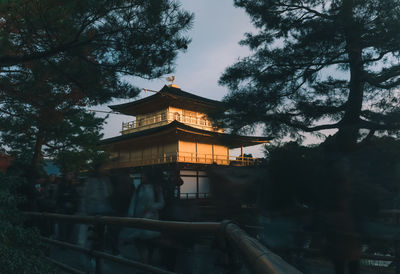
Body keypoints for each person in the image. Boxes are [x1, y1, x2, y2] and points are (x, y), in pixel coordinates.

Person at [125, 170, 165, 263]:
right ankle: (146, 265)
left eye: (144, 176)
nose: (142, 178)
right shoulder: (139, 188)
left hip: (151, 220)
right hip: (139, 220)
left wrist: (151, 207)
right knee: (142, 244)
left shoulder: (156, 188)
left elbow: (162, 203)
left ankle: (146, 265)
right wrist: (130, 216)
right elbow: (133, 203)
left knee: (146, 244)